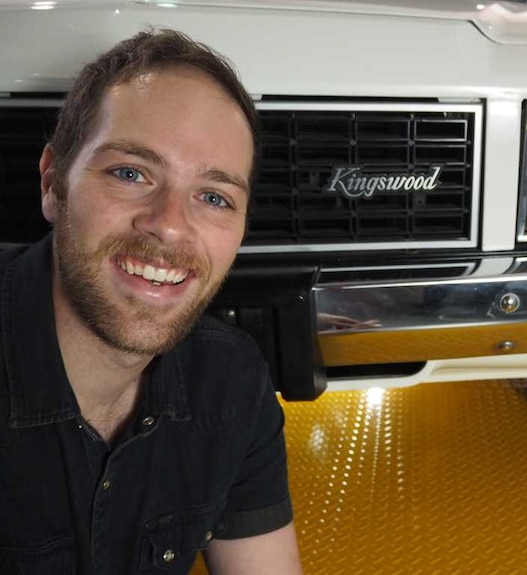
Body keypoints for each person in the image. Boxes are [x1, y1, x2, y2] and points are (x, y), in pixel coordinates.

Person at [0, 29, 303, 574]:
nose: (168, 225)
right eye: (130, 173)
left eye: (213, 197)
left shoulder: (231, 382)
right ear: (53, 183)